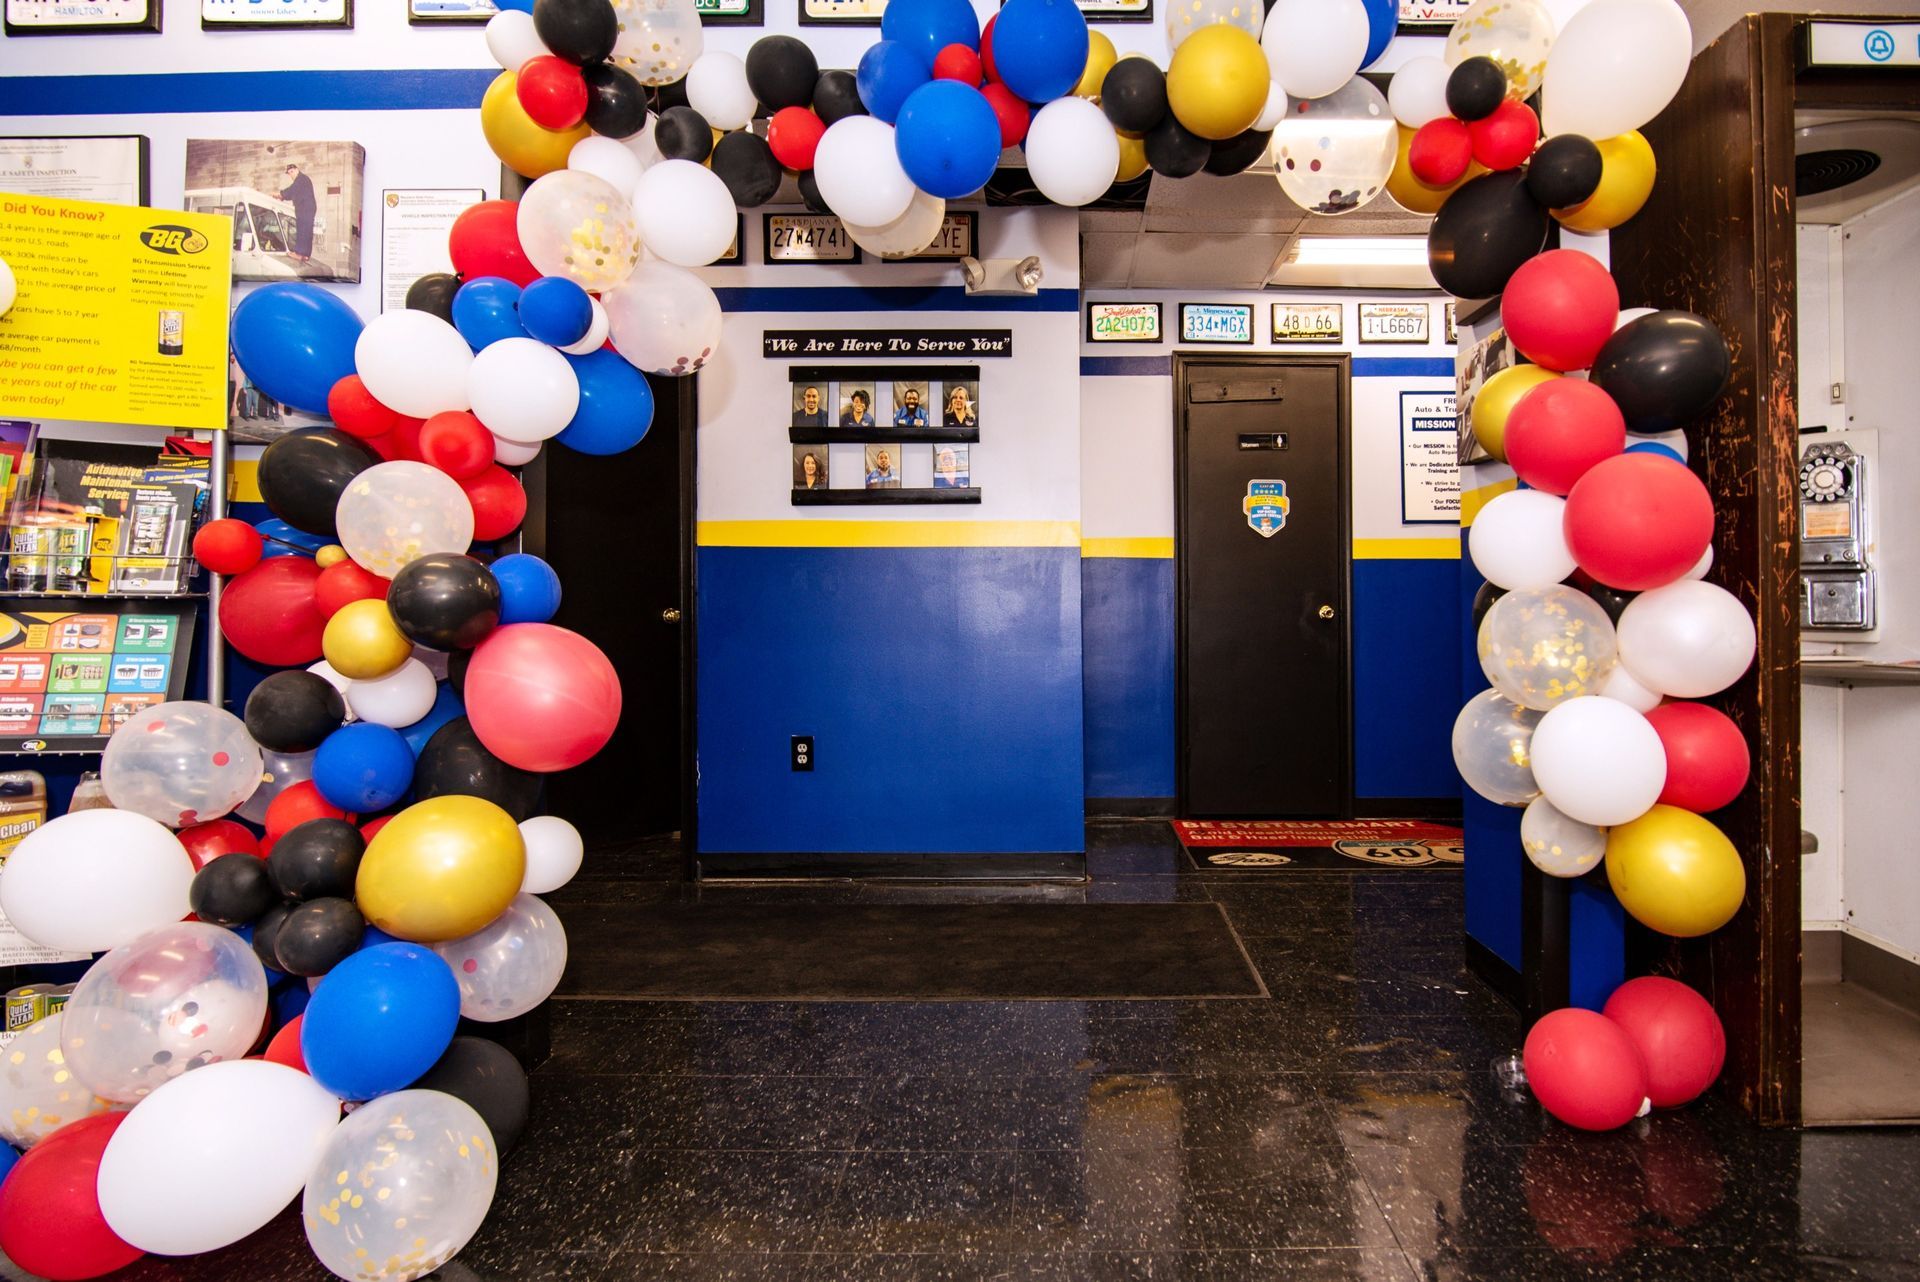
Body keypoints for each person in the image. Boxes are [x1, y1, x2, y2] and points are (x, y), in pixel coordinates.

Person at [278, 162, 317, 265]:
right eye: (289, 173)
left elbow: (292, 190)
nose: (291, 174)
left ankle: (299, 253)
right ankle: (305, 255)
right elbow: (294, 193)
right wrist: (283, 197)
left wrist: (280, 194)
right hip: (308, 208)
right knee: (307, 230)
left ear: (296, 170)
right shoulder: (303, 180)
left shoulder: (301, 179)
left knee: (302, 229)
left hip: (305, 208)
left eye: (291, 171)